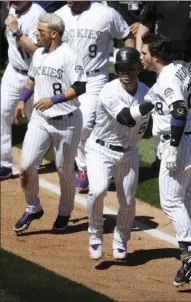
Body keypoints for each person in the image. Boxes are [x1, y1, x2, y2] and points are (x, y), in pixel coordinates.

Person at [137, 32, 191, 286]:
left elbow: (178, 109)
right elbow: (149, 103)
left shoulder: (166, 79)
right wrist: (124, 114)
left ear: (156, 56)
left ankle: (190, 257)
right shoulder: (178, 70)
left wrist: (173, 148)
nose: (141, 57)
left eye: (144, 53)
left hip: (179, 143)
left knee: (172, 202)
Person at [13, 13, 86, 234]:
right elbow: (32, 79)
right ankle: (32, 207)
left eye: (41, 31)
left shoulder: (69, 56)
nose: (36, 34)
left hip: (68, 122)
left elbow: (80, 87)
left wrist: (52, 100)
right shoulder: (38, 54)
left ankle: (64, 212)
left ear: (53, 34)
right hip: (40, 119)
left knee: (64, 170)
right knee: (26, 166)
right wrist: (22, 100)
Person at [55, 1, 135, 192]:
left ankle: (88, 169)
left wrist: (129, 61)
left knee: (84, 124)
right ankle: (85, 166)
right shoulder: (59, 15)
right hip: (67, 79)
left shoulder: (106, 14)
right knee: (70, 125)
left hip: (94, 78)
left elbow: (126, 35)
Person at [86, 47, 150, 260]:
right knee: (98, 189)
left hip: (129, 153)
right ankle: (95, 233)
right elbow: (126, 118)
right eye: (120, 67)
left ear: (139, 68)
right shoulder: (108, 91)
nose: (125, 72)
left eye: (130, 68)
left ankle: (121, 240)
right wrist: (154, 101)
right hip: (100, 149)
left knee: (128, 202)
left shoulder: (146, 91)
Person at [136, 1, 191, 142]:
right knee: (165, 100)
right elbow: (144, 26)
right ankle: (165, 147)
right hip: (165, 59)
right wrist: (139, 53)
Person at [0, 1, 46, 180]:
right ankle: (4, 164)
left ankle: (32, 162)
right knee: (3, 113)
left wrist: (16, 31)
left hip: (34, 75)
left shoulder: (38, 15)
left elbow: (38, 51)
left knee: (36, 121)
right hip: (13, 71)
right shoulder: (12, 7)